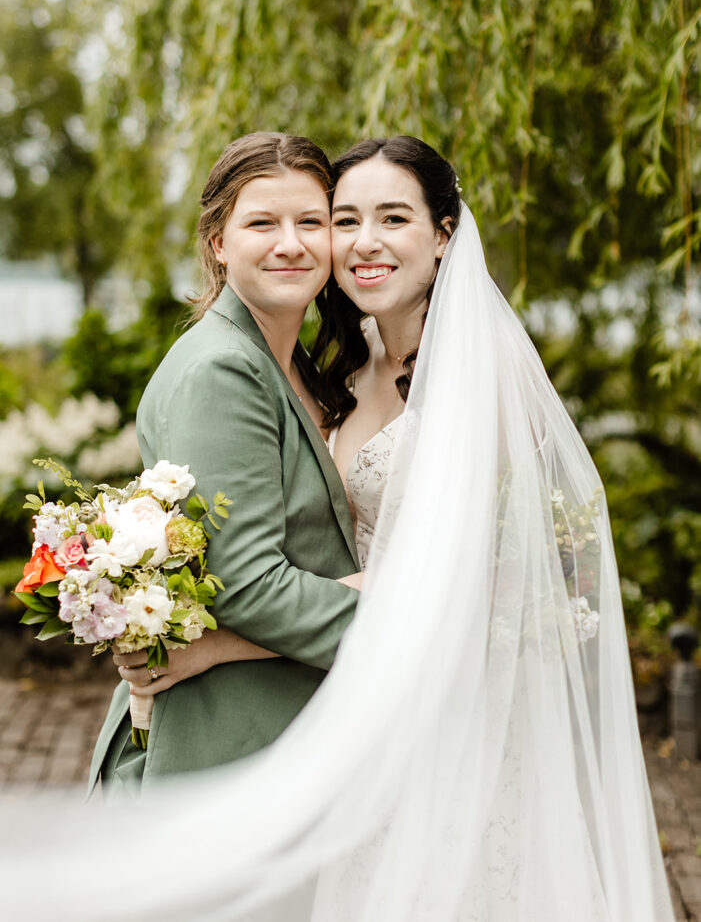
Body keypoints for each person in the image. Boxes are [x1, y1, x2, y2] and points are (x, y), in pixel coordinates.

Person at [98, 137, 674, 922]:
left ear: (442, 233)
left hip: (439, 710)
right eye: (346, 218)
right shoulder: (344, 362)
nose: (362, 241)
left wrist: (222, 644)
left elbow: (466, 594)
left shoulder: (482, 376)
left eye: (391, 217)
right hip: (357, 705)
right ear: (217, 241)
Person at [88, 131, 362, 794]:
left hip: (287, 726)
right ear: (218, 242)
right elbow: (247, 585)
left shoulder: (291, 362)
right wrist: (414, 623)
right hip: (230, 739)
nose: (290, 243)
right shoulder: (223, 369)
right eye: (262, 223)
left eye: (311, 222)